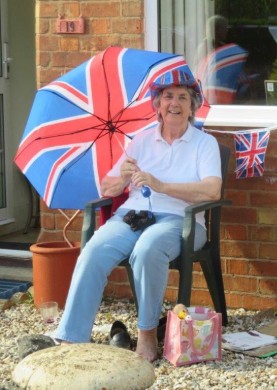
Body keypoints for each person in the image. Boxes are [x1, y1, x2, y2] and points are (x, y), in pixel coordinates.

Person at [54, 69, 223, 362]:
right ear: (157, 105)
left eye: (183, 97)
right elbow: (108, 187)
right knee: (93, 251)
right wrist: (121, 177)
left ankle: (146, 334)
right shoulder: (140, 142)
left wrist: (161, 185)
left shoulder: (203, 144)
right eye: (168, 97)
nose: (175, 103)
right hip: (133, 215)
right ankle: (72, 337)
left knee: (147, 250)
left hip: (180, 220)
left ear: (192, 106)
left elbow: (212, 191)